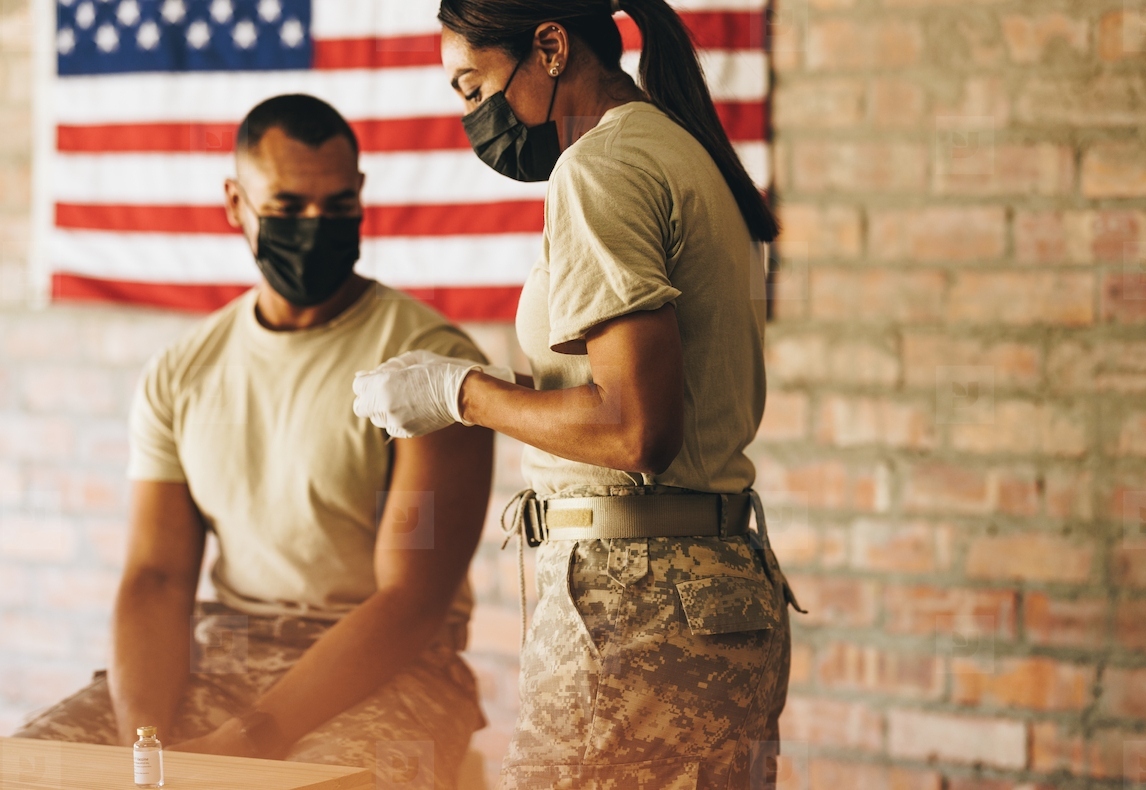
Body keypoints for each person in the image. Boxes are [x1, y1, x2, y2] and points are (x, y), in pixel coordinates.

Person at [352, 1, 806, 787]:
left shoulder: (601, 168)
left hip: (636, 606)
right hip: (718, 594)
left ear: (551, 46)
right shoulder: (677, 146)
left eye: (473, 87)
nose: (473, 117)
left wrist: (461, 393)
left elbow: (636, 429)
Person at [14, 94, 497, 789]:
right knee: (34, 771)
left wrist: (251, 737)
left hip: (394, 673)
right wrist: (145, 750)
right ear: (236, 203)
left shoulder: (428, 367)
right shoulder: (183, 373)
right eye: (287, 206)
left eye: (335, 207)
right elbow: (156, 577)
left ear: (361, 197)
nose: (313, 225)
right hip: (223, 655)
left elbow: (410, 603)